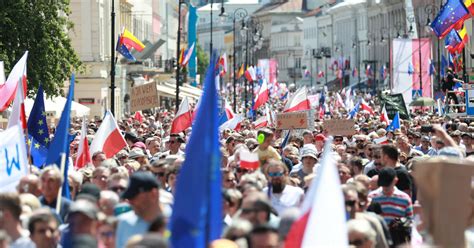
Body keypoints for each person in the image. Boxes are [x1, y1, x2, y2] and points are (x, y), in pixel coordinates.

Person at [116, 172, 162, 248]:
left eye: (134, 196)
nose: (130, 202)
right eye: (128, 198)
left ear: (153, 194)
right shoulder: (124, 223)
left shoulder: (174, 223)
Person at [369, 168, 413, 245]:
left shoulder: (404, 198)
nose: (385, 187)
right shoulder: (372, 197)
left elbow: (410, 219)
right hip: (377, 239)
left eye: (387, 184)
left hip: (397, 239)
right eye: (383, 184)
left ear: (395, 180)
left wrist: (402, 222)